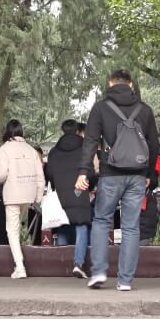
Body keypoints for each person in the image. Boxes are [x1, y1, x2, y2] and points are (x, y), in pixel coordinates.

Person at [76, 69, 158, 291]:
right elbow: (154, 147)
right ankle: (125, 281)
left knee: (102, 221)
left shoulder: (101, 108)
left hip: (111, 173)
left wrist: (84, 171)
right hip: (137, 175)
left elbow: (91, 142)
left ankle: (100, 272)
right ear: (131, 85)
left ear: (110, 83)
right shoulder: (145, 110)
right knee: (131, 227)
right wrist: (150, 175)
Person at [0, 119, 45, 279]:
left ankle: (20, 266)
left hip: (13, 194)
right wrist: (37, 196)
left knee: (12, 231)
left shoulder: (5, 149)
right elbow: (40, 176)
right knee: (18, 228)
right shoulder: (31, 150)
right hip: (28, 195)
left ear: (8, 132)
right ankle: (20, 264)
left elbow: (0, 176)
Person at [46, 119, 94, 278]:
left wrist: (57, 185)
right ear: (77, 131)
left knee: (62, 226)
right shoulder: (84, 149)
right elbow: (91, 173)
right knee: (81, 226)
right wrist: (90, 185)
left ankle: (61, 267)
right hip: (79, 192)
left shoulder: (54, 151)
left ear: (62, 130)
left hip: (61, 194)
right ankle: (78, 264)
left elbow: (49, 174)